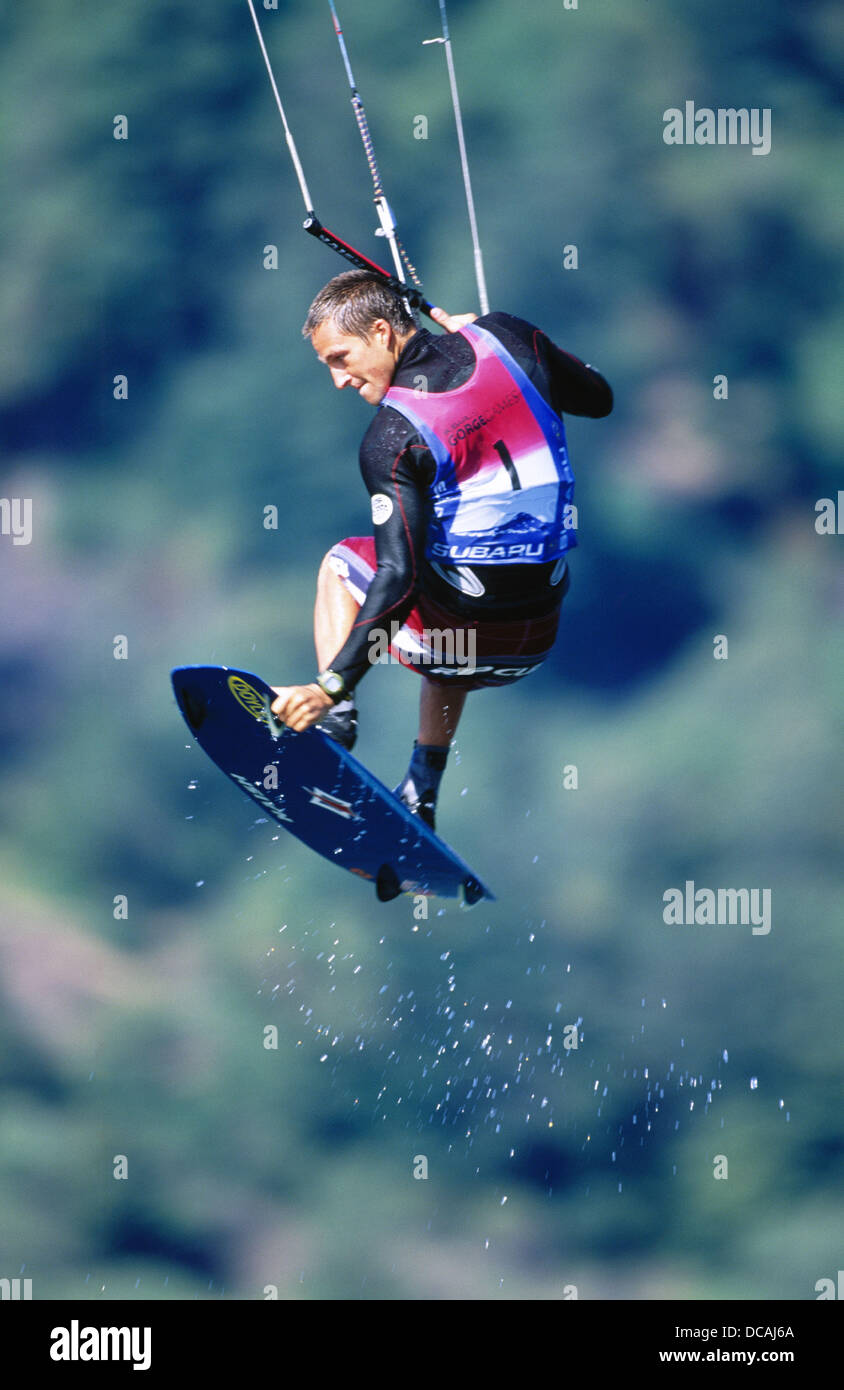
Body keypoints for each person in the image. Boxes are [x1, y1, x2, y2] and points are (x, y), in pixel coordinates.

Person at [269, 270, 612, 829]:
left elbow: (397, 579)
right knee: (450, 580)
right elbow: (598, 398)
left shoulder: (392, 436)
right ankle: (421, 789)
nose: (338, 380)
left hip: (457, 637)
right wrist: (514, 345)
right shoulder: (508, 335)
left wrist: (332, 685)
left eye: (340, 358)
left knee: (342, 563)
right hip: (533, 641)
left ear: (382, 332)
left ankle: (339, 721)